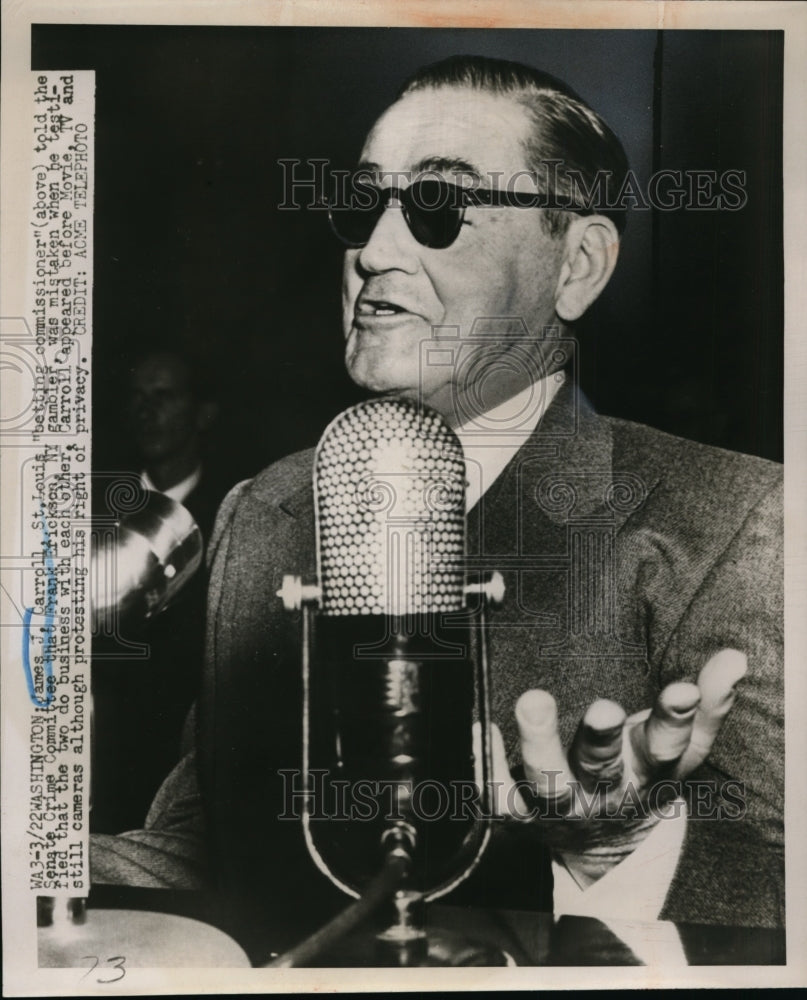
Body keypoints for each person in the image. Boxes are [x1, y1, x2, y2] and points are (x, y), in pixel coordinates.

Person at [91, 56, 783, 958]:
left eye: (436, 209)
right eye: (361, 205)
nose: (373, 252)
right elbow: (197, 847)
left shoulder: (739, 517)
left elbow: (777, 877)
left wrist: (616, 852)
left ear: (577, 265)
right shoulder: (264, 508)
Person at [91, 349, 228, 832]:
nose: (146, 411)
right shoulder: (91, 507)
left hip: (184, 771)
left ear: (204, 413)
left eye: (164, 396)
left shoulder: (235, 517)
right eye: (137, 397)